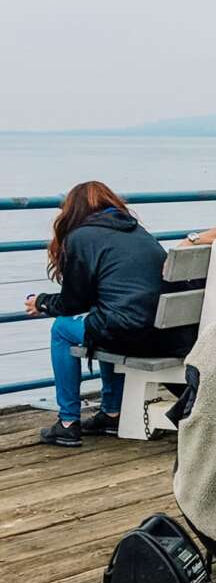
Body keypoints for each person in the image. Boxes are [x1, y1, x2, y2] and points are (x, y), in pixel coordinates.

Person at [25, 182, 197, 447]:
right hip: (168, 332)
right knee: (104, 318)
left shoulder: (80, 237)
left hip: (134, 334)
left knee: (62, 329)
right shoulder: (137, 232)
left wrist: (42, 302)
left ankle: (68, 422)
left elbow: (72, 302)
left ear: (72, 210)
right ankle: (112, 412)